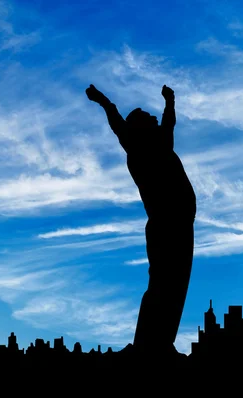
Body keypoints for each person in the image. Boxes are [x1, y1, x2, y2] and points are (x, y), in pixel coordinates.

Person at [86, 84, 196, 357]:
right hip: (166, 225)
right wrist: (103, 100)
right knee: (162, 285)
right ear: (140, 128)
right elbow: (118, 121)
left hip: (179, 224)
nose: (155, 119)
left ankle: (160, 343)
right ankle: (147, 346)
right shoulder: (141, 147)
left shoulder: (154, 142)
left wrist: (169, 101)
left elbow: (161, 122)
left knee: (174, 286)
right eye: (149, 118)